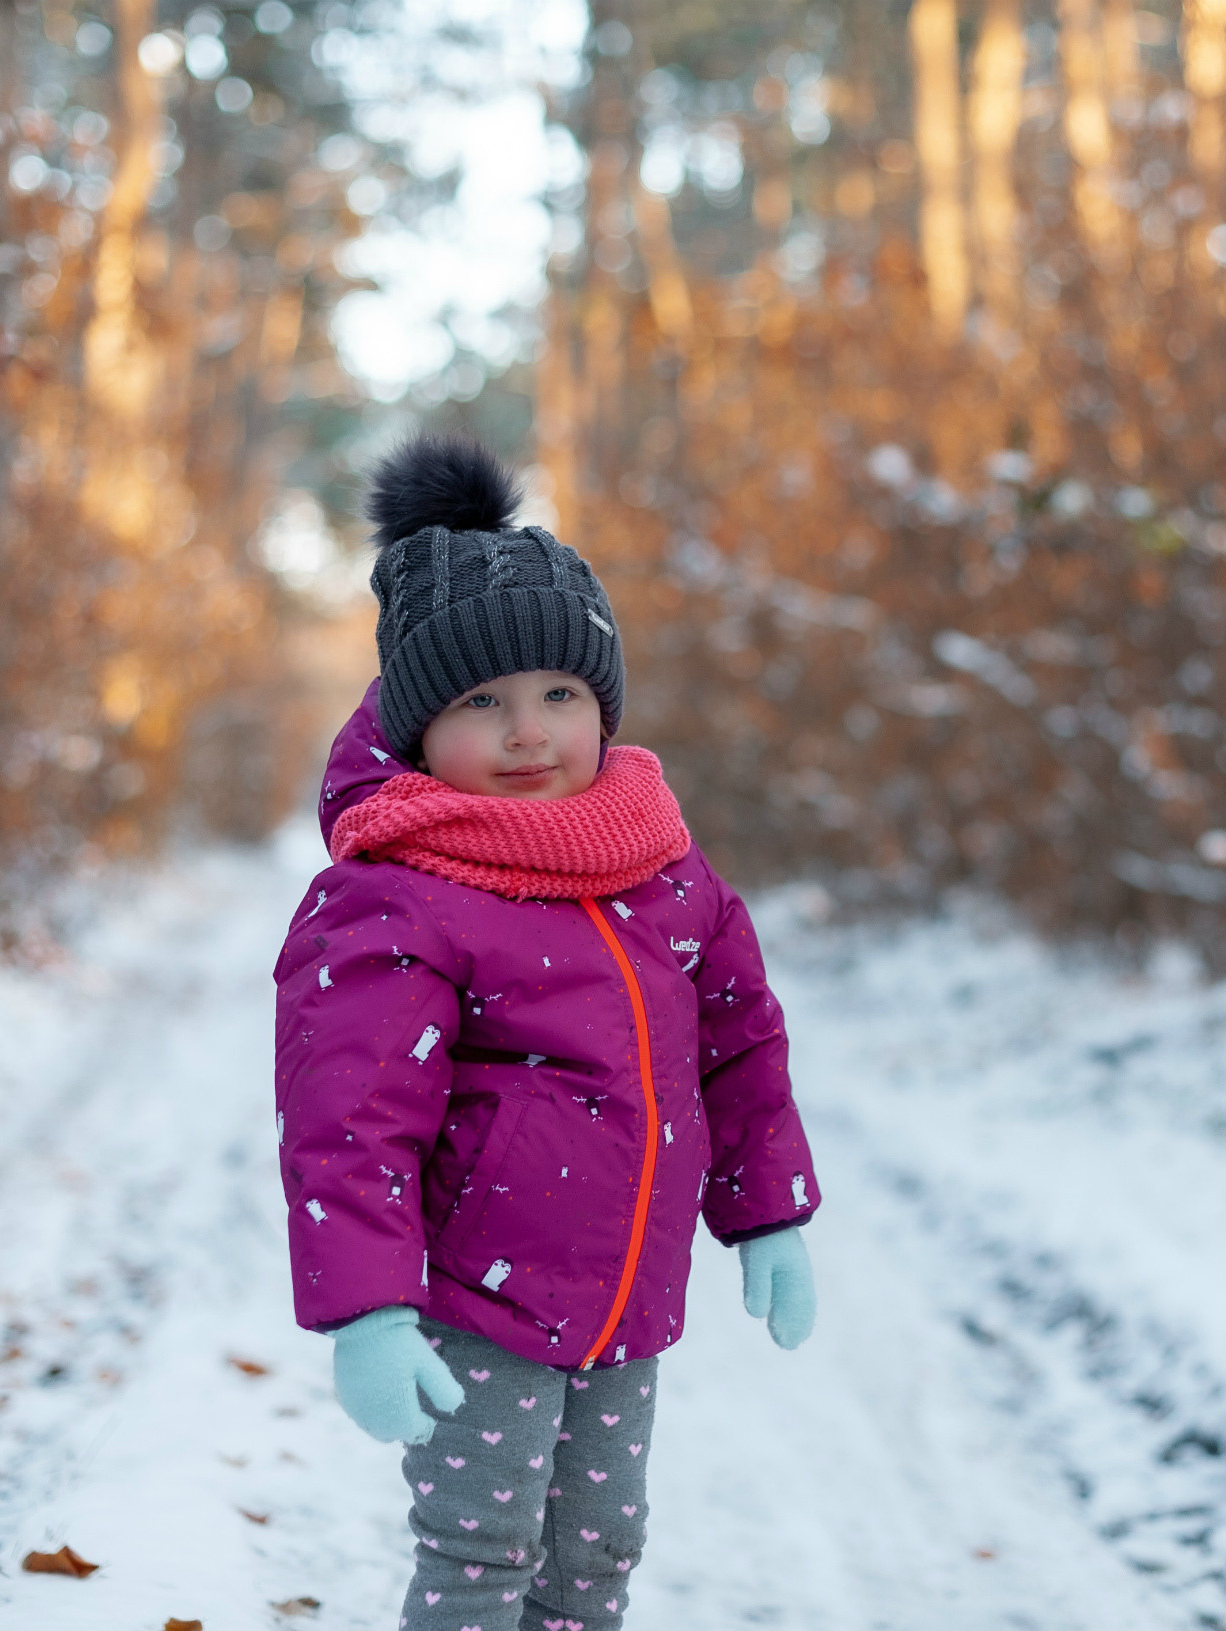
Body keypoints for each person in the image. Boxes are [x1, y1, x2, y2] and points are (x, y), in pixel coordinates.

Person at [271, 434, 822, 1631]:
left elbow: (738, 1046)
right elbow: (350, 1115)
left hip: (625, 1304)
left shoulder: (663, 865)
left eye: (561, 695)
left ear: (603, 705)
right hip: (483, 1300)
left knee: (596, 1557)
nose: (530, 733)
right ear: (421, 729)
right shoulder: (399, 892)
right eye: (484, 702)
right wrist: (367, 1306)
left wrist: (768, 1209)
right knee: (481, 1552)